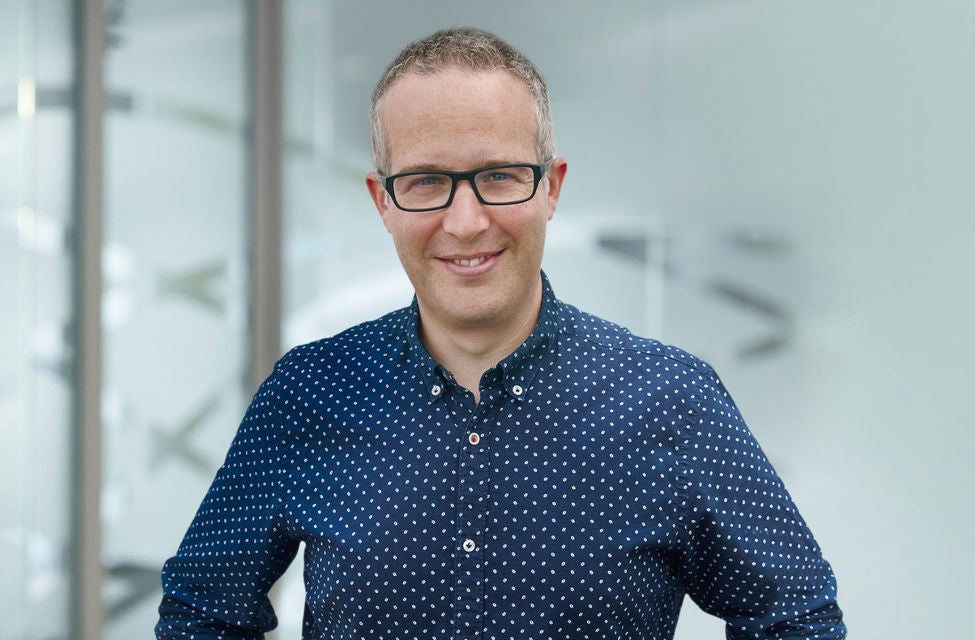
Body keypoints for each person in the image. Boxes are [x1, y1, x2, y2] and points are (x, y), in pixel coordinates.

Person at [156, 27, 845, 639]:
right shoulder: (309, 393)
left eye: (499, 177)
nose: (465, 222)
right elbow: (202, 618)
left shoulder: (670, 401)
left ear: (551, 187)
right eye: (426, 182)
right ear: (382, 202)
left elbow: (796, 622)